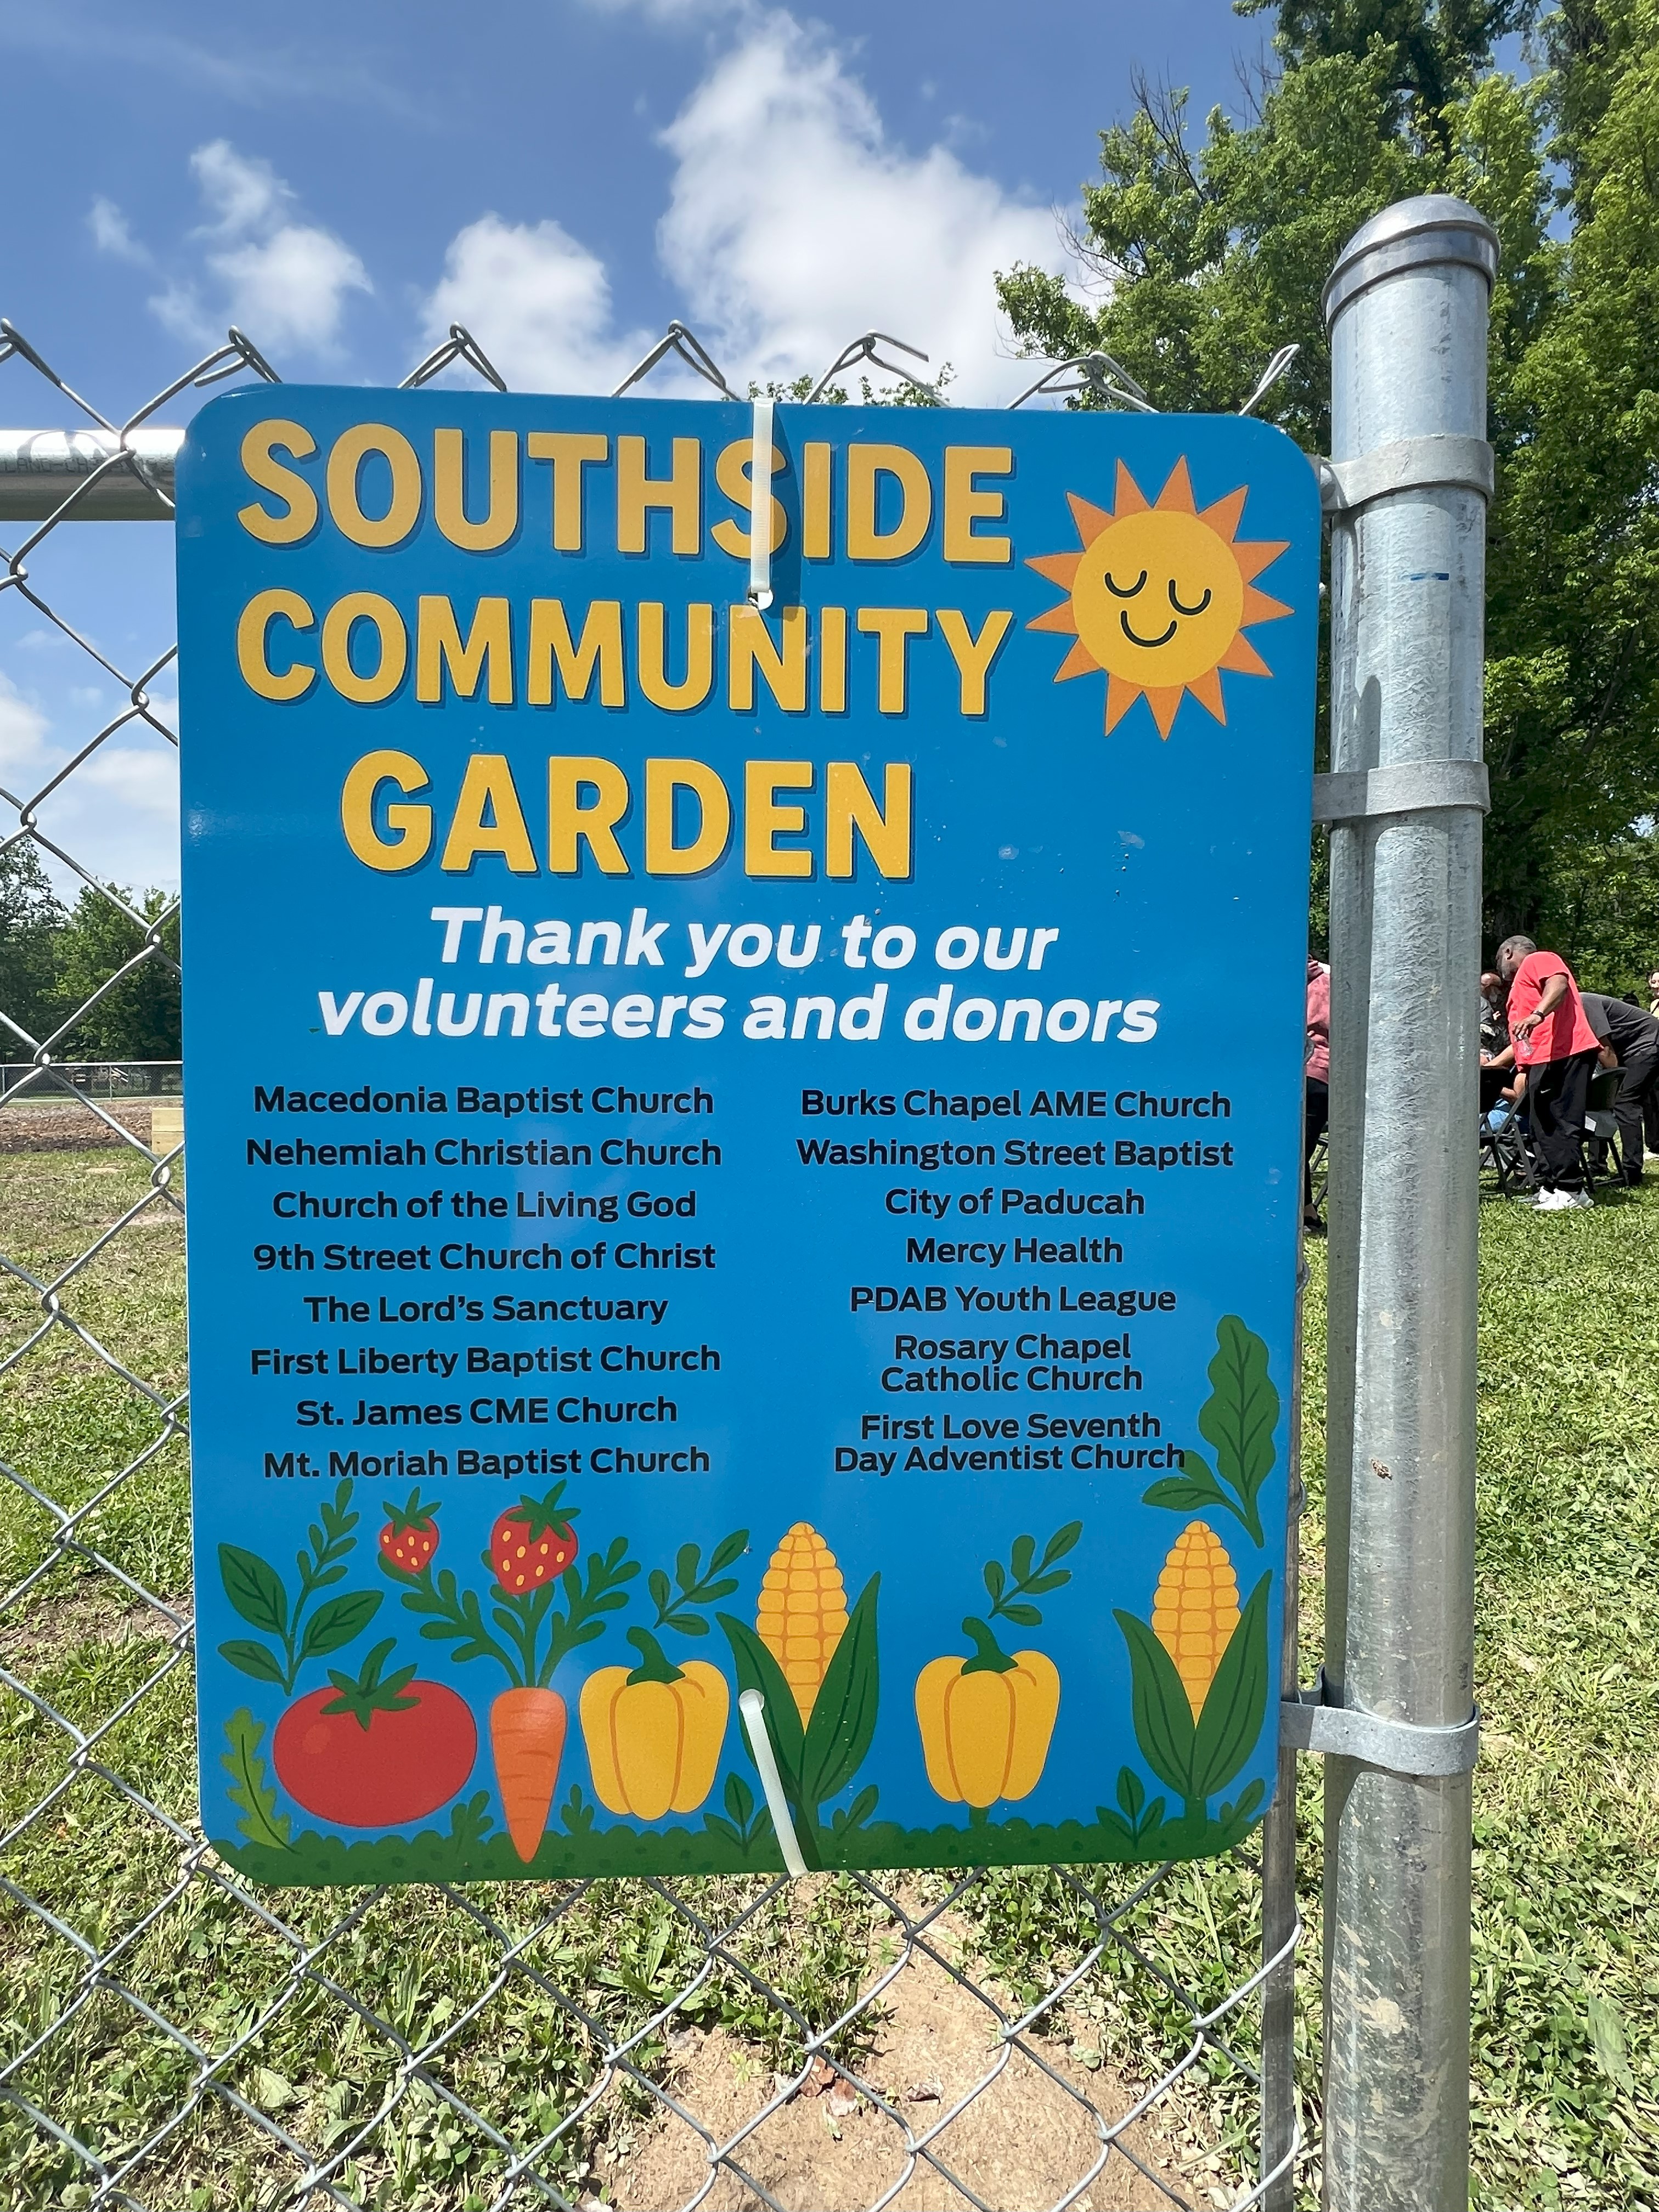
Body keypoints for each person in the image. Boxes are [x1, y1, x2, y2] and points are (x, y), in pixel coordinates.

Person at [1497, 935, 1602, 1210]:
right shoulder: (1521, 985)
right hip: (1541, 1059)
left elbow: (1559, 984)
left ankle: (1572, 1191)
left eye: (1500, 961)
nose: (1501, 971)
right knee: (1540, 1125)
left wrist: (1538, 1014)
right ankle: (1550, 1187)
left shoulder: (1538, 959)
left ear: (1508, 952)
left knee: (1561, 1121)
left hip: (1565, 1053)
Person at [1581, 991, 1659, 1186]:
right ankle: (1597, 1164)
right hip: (1629, 1049)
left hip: (1647, 1045)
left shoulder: (1585, 1003)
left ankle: (1631, 1172)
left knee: (1625, 1103)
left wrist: (1613, 1082)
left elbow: (1605, 1049)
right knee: (1599, 1099)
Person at [1304, 955, 1329, 1234]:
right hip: (1329, 1073)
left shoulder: (1284, 981)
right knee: (1302, 1148)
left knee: (1295, 1150)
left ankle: (1306, 1213)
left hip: (1305, 1071)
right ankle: (1308, 1211)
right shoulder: (1330, 978)